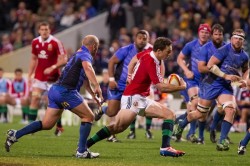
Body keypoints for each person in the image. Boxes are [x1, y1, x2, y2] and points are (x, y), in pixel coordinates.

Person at [5, 35, 103, 159]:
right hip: (66, 92)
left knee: (47, 124)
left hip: (55, 90)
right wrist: (98, 87)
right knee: (88, 116)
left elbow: (84, 78)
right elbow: (88, 69)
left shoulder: (78, 54)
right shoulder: (86, 54)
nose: (97, 50)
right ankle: (82, 151)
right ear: (93, 46)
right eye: (97, 47)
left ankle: (15, 134)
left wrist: (93, 93)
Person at [86, 37, 186, 157]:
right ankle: (85, 145)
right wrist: (181, 87)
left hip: (141, 98)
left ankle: (165, 148)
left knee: (170, 114)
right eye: (168, 51)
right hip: (132, 98)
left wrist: (129, 75)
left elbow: (134, 59)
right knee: (117, 127)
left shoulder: (148, 53)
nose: (170, 54)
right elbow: (161, 87)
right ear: (159, 51)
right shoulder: (151, 62)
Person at [175, 29, 249, 151]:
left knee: (231, 109)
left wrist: (245, 80)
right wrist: (226, 76)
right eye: (236, 38)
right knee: (200, 114)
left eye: (241, 39)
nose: (238, 40)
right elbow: (210, 65)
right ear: (231, 39)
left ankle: (222, 141)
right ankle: (181, 125)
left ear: (243, 41)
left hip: (225, 86)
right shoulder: (223, 50)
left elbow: (246, 69)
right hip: (211, 83)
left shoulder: (244, 56)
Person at [95, 30, 151, 142]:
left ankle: (113, 135)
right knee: (112, 111)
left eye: (144, 38)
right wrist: (111, 79)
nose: (142, 40)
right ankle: (103, 109)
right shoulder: (126, 50)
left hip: (133, 88)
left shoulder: (150, 52)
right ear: (135, 39)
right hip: (118, 85)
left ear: (148, 40)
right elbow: (111, 61)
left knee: (127, 112)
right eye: (140, 38)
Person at [27, 21, 68, 136]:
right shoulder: (35, 42)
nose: (44, 32)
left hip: (53, 77)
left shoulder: (56, 42)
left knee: (54, 103)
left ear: (50, 30)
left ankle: (59, 126)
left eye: (46, 29)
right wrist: (29, 74)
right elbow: (34, 59)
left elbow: (64, 60)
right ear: (39, 30)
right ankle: (30, 128)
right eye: (42, 29)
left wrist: (53, 67)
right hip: (39, 76)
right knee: (34, 99)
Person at [176, 23, 211, 142]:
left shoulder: (212, 48)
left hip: (206, 82)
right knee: (195, 103)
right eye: (202, 32)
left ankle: (197, 135)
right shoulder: (190, 45)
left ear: (209, 34)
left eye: (206, 32)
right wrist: (186, 70)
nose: (204, 34)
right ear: (198, 32)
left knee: (202, 111)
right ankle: (191, 133)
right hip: (191, 80)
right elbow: (179, 58)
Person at [238, 79, 250, 155]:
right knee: (244, 111)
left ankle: (242, 143)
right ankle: (242, 145)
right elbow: (238, 101)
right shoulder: (243, 91)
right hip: (244, 108)